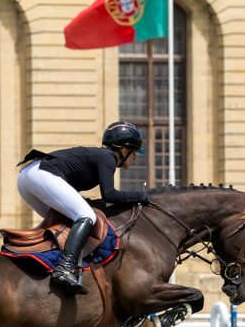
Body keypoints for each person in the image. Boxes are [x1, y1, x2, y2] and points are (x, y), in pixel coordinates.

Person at [16, 121, 149, 294]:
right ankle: (65, 267)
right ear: (124, 150)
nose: (135, 158)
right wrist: (142, 196)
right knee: (87, 216)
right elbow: (110, 195)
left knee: (64, 222)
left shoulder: (101, 156)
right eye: (134, 153)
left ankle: (51, 262)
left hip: (27, 177)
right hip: (41, 174)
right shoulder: (107, 157)